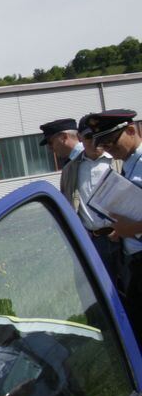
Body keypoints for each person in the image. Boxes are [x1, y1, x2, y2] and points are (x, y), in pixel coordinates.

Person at [83, 108, 142, 340]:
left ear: (130, 130)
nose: (109, 150)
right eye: (104, 146)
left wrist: (133, 228)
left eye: (111, 143)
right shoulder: (130, 164)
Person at [58, 116, 123, 280]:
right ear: (80, 138)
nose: (95, 141)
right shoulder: (70, 170)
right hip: (95, 243)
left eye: (99, 135)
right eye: (88, 137)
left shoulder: (119, 161)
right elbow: (68, 206)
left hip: (125, 238)